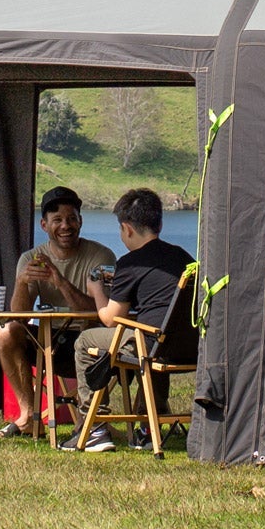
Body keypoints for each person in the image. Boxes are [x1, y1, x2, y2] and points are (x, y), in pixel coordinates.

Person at [63, 186, 194, 454]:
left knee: (85, 341)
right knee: (156, 340)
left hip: (151, 344)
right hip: (189, 345)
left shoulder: (131, 263)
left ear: (127, 229)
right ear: (158, 223)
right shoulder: (181, 256)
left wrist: (97, 290)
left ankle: (95, 427)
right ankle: (149, 424)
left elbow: (110, 319)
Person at [0, 186, 117, 439]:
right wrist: (22, 283)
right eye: (57, 220)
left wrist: (60, 282)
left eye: (71, 219)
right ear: (44, 225)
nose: (65, 226)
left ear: (80, 222)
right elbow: (20, 316)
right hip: (49, 341)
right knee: (6, 333)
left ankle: (89, 419)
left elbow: (102, 311)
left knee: (101, 337)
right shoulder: (31, 258)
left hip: (90, 341)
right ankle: (28, 416)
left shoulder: (102, 256)